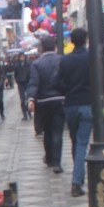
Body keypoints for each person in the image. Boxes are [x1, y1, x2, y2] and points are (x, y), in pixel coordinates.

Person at [54, 28, 92, 197]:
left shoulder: (66, 60)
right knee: (82, 143)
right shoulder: (91, 58)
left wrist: (67, 89)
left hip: (70, 105)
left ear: (72, 41)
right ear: (85, 40)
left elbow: (56, 83)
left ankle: (79, 176)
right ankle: (76, 182)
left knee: (76, 142)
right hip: (87, 104)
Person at [26, 36, 66, 176]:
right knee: (57, 132)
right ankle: (57, 161)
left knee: (47, 131)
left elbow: (34, 83)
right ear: (54, 46)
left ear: (42, 48)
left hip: (43, 102)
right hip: (59, 100)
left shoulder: (37, 63)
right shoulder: (62, 60)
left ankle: (49, 158)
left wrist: (31, 99)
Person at [14, 53, 32, 121]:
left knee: (28, 99)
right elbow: (15, 74)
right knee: (22, 100)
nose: (22, 58)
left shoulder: (28, 64)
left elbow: (30, 72)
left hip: (27, 83)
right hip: (21, 84)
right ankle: (24, 114)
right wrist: (18, 80)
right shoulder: (17, 65)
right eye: (20, 57)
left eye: (23, 57)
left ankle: (29, 112)